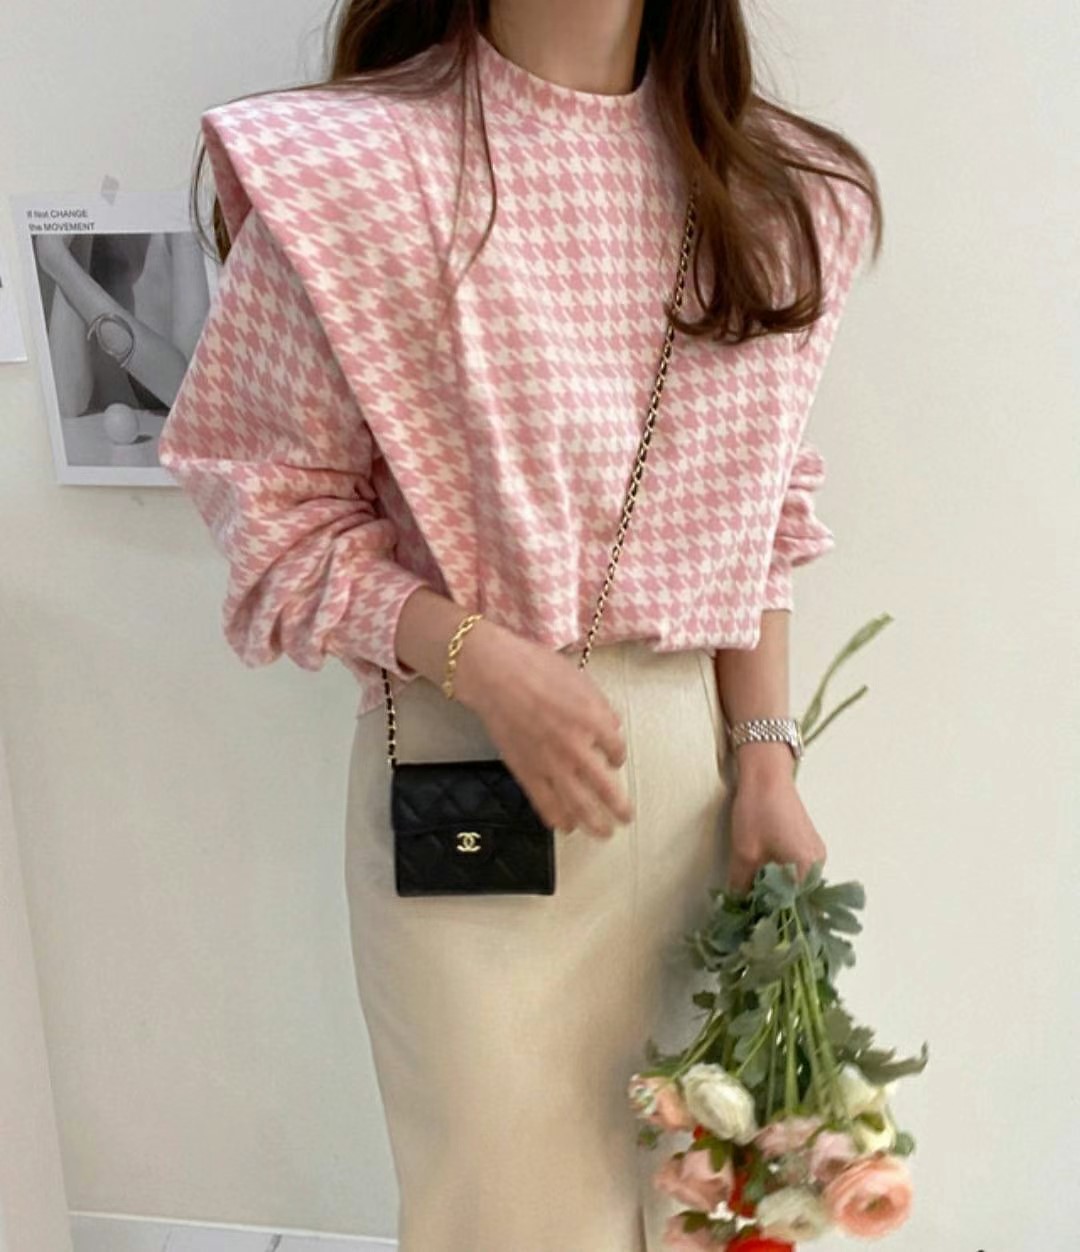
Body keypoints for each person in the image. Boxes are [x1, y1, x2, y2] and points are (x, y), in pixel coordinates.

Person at [158, 2, 882, 1248]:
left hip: (692, 779)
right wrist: (481, 658)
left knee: (702, 1199)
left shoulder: (773, 194)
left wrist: (766, 757)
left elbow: (758, 505)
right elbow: (272, 511)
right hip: (463, 761)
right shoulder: (350, 172)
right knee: (500, 1212)